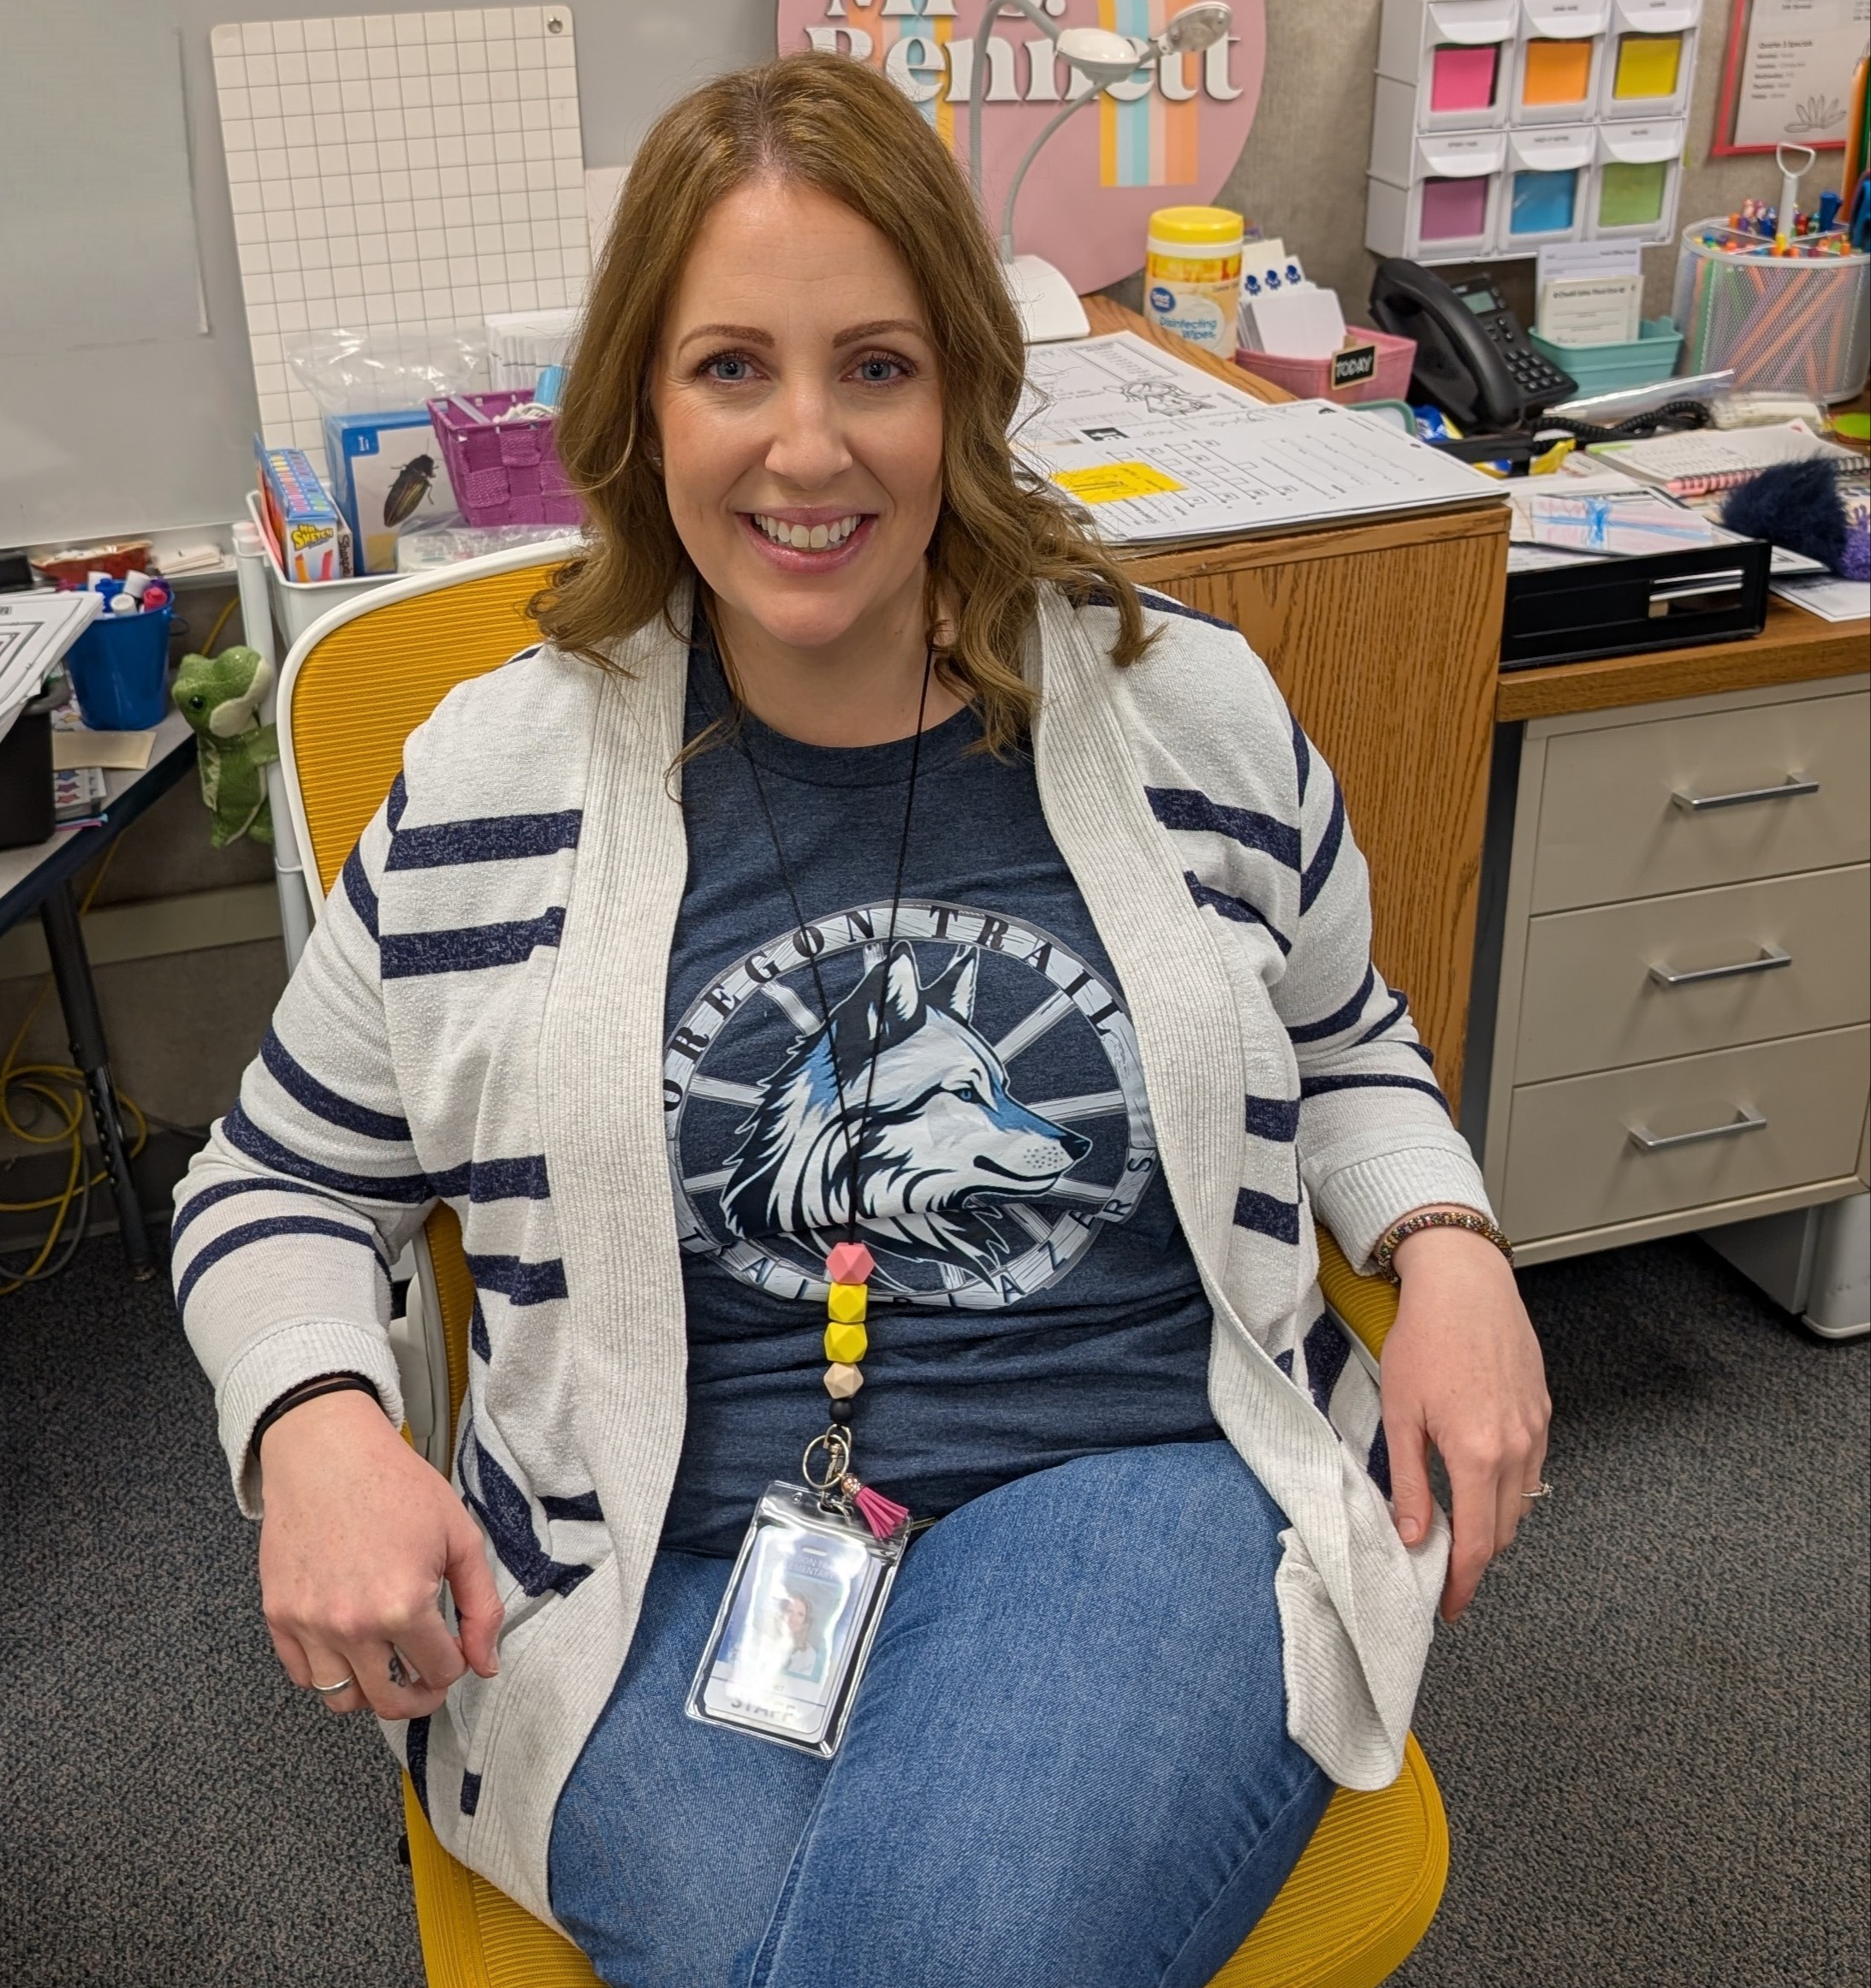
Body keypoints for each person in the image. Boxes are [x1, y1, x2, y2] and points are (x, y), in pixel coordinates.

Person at [172, 52, 1550, 1988]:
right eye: (733, 366)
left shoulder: (1193, 715)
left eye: (876, 368)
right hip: (659, 1562)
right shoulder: (494, 783)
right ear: (642, 409)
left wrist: (1449, 1243)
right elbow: (273, 1183)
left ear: (965, 391)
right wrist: (313, 1415)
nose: (805, 449)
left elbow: (1344, 1045)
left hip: (1132, 1489)